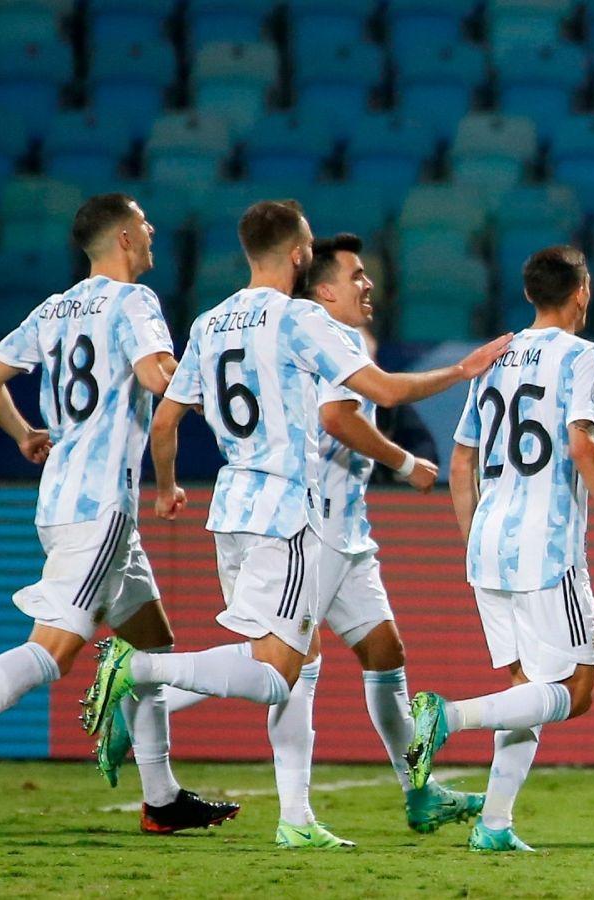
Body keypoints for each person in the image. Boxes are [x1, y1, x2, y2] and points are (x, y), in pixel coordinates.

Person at [78, 201, 512, 848]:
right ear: (301, 256)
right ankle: (138, 674)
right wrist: (460, 371)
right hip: (290, 514)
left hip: (233, 510)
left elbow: (165, 421)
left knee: (331, 661)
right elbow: (376, 399)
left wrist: (168, 488)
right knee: (277, 672)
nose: (364, 283)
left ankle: (312, 815)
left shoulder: (210, 320)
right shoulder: (303, 320)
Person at [0, 194, 238, 833]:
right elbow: (159, 376)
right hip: (98, 506)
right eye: (145, 222)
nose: (153, 228)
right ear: (126, 238)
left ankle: (161, 799)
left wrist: (25, 435)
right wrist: (225, 382)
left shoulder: (54, 307)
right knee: (53, 652)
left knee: (150, 646)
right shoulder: (135, 302)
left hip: (64, 500)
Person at [404, 246, 594, 853]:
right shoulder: (583, 356)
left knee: (524, 693)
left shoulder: (498, 355)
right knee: (576, 690)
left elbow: (461, 457)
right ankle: (448, 718)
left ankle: (494, 825)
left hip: (489, 543)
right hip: (548, 548)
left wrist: (474, 537)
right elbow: (581, 446)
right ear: (582, 291)